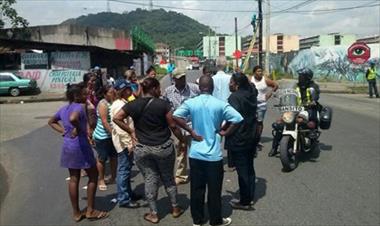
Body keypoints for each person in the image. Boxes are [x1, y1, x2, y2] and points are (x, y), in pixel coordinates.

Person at [113, 77, 186, 224]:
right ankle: (175, 208)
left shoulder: (132, 104)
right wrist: (182, 140)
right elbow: (172, 126)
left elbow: (116, 118)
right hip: (163, 148)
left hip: (142, 149)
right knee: (168, 178)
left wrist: (131, 131)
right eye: (158, 88)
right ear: (152, 89)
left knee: (149, 178)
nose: (160, 91)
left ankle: (153, 213)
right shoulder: (163, 104)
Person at [173, 75, 243, 226]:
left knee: (197, 189)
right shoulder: (220, 104)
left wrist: (190, 131)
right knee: (214, 191)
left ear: (199, 88)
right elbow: (237, 118)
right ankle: (215, 220)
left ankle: (197, 220)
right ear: (212, 88)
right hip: (213, 156)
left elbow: (176, 116)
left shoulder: (191, 102)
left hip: (196, 154)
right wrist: (226, 132)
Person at [48, 83, 108, 222]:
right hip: (80, 146)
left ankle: (76, 212)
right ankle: (90, 210)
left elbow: (51, 121)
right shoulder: (80, 107)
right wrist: (78, 128)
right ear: (76, 95)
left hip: (68, 146)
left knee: (74, 178)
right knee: (93, 175)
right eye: (83, 93)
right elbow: (73, 118)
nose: (85, 95)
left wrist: (64, 131)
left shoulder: (64, 108)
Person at [225, 72, 257, 210]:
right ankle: (249, 196)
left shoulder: (235, 97)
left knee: (242, 170)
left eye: (231, 82)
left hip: (239, 138)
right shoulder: (251, 94)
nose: (229, 84)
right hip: (251, 136)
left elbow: (234, 119)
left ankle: (244, 201)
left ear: (236, 85)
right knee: (250, 168)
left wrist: (225, 132)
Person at [270, 68, 320, 156]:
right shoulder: (296, 85)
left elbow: (315, 96)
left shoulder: (313, 86)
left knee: (310, 120)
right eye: (300, 76)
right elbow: (288, 94)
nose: (300, 78)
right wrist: (282, 100)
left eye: (302, 76)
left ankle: (312, 135)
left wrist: (312, 101)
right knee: (281, 124)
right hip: (294, 108)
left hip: (307, 108)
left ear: (307, 77)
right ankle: (274, 147)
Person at [163, 69, 200, 185]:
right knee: (180, 151)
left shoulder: (194, 88)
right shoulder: (168, 91)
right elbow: (165, 107)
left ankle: (198, 173)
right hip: (177, 127)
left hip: (192, 125)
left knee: (195, 151)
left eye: (183, 77)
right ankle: (181, 175)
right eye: (179, 78)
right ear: (174, 79)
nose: (182, 80)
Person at [110, 80, 139, 208]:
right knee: (123, 170)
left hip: (126, 141)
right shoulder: (118, 105)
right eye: (127, 89)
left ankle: (128, 193)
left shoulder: (124, 102)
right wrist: (129, 143)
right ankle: (123, 198)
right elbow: (120, 128)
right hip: (123, 143)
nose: (130, 90)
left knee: (126, 169)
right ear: (123, 91)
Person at [93, 85, 117, 191]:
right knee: (102, 158)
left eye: (114, 91)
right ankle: (101, 179)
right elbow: (104, 121)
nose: (113, 93)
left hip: (112, 135)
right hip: (102, 136)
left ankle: (113, 177)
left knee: (114, 157)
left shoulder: (114, 102)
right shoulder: (103, 104)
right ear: (105, 93)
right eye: (111, 92)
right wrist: (113, 133)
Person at [250, 65, 278, 154]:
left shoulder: (265, 80)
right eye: (258, 71)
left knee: (259, 122)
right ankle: (251, 138)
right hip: (251, 104)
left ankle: (258, 138)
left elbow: (275, 85)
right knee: (251, 121)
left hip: (262, 104)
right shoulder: (250, 79)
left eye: (261, 71)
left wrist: (270, 93)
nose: (260, 73)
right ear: (254, 72)